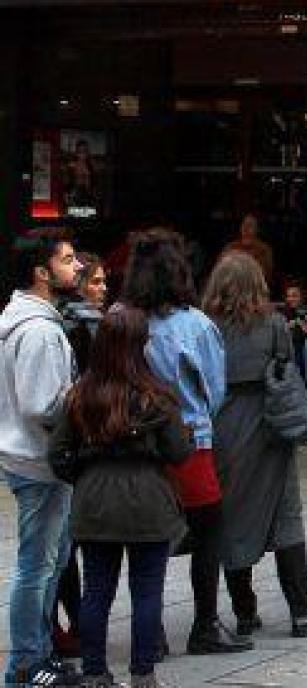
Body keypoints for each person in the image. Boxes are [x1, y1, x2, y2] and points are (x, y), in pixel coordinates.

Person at [48, 306, 193, 688]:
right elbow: (179, 452)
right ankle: (143, 674)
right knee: (147, 592)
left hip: (95, 504)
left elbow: (57, 455)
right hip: (148, 502)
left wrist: (85, 472)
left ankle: (95, 672)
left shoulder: (80, 396)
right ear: (140, 346)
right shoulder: (157, 398)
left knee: (97, 590)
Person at [122, 229, 250, 654]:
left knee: (146, 536)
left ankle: (150, 628)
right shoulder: (195, 325)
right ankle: (205, 622)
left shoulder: (121, 318)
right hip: (189, 439)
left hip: (135, 441)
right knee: (208, 531)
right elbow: (213, 391)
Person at [203, 252, 307, 640]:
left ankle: (245, 612)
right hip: (269, 427)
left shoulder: (206, 327)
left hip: (224, 427)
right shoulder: (273, 324)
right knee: (286, 515)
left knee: (232, 519)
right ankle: (301, 610)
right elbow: (285, 369)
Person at [1, 233, 84, 686]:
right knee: (38, 563)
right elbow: (41, 405)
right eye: (68, 260)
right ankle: (27, 662)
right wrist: (78, 401)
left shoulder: (27, 322)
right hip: (39, 460)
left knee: (49, 559)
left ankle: (37, 655)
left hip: (30, 458)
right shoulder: (38, 331)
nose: (77, 268)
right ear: (41, 272)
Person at [51, 250, 106, 661]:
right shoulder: (83, 325)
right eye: (95, 281)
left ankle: (68, 624)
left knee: (66, 547)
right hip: (80, 446)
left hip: (69, 448)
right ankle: (68, 626)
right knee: (65, 547)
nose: (103, 290)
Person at [223, 214, 275, 287]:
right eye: (244, 225)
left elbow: (265, 276)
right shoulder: (231, 247)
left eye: (250, 225)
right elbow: (221, 271)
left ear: (256, 230)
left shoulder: (264, 250)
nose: (246, 228)